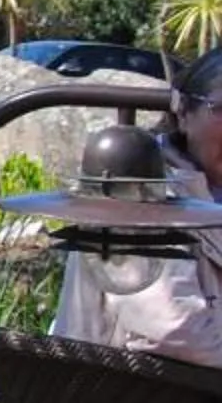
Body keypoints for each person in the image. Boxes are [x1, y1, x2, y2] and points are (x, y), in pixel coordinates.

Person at [50, 47, 222, 362]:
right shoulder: (139, 182)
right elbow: (175, 329)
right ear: (183, 112)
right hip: (131, 400)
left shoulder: (212, 188)